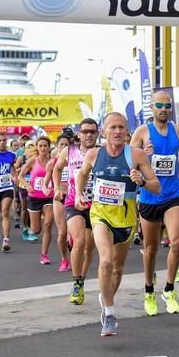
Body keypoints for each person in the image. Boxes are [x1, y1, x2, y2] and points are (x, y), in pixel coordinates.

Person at [75, 112, 160, 336]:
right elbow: (82, 174)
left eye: (122, 127)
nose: (117, 131)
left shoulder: (137, 155)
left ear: (127, 132)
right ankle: (110, 314)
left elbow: (156, 186)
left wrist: (141, 181)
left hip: (126, 218)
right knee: (106, 262)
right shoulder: (94, 154)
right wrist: (78, 194)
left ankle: (106, 298)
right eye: (113, 127)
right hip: (100, 214)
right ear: (104, 132)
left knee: (118, 268)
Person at [131, 91, 179, 316]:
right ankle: (148, 289)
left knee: (176, 242)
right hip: (149, 195)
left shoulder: (178, 131)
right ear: (151, 107)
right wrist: (142, 156)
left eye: (167, 106)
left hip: (173, 194)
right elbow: (131, 161)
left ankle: (169, 289)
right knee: (151, 248)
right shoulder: (142, 132)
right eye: (159, 105)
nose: (163, 109)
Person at [53, 119, 99, 305]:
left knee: (90, 247)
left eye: (92, 132)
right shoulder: (69, 151)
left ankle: (81, 279)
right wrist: (57, 187)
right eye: (85, 131)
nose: (89, 135)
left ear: (97, 133)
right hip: (74, 202)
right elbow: (57, 168)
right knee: (79, 241)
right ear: (79, 134)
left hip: (97, 205)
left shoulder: (103, 151)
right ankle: (76, 283)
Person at [19, 137, 56, 265]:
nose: (43, 148)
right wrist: (27, 185)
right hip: (34, 197)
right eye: (40, 146)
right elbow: (20, 175)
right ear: (37, 147)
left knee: (48, 225)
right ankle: (32, 227)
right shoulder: (32, 161)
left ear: (49, 147)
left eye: (45, 145)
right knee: (36, 230)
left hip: (49, 197)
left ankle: (44, 255)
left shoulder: (53, 161)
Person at [44, 134, 72, 272]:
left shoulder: (76, 160)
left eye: (67, 144)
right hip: (59, 198)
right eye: (61, 144)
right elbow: (45, 182)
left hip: (73, 197)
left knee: (74, 232)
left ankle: (74, 250)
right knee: (62, 232)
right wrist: (47, 189)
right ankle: (64, 259)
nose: (64, 147)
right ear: (57, 146)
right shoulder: (53, 162)